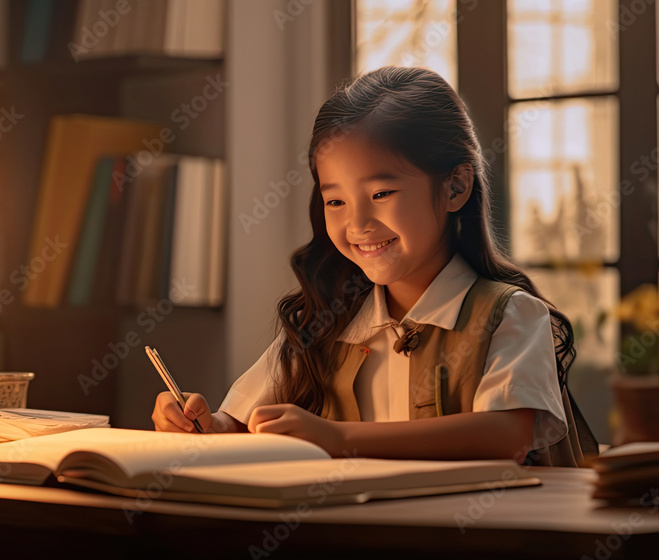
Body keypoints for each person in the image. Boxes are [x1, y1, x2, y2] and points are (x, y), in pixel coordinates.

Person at [152, 66, 597, 466]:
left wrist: (339, 438)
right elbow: (240, 420)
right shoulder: (325, 322)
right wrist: (205, 425)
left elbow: (507, 435)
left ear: (456, 187)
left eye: (381, 194)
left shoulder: (510, 315)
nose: (358, 223)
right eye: (335, 201)